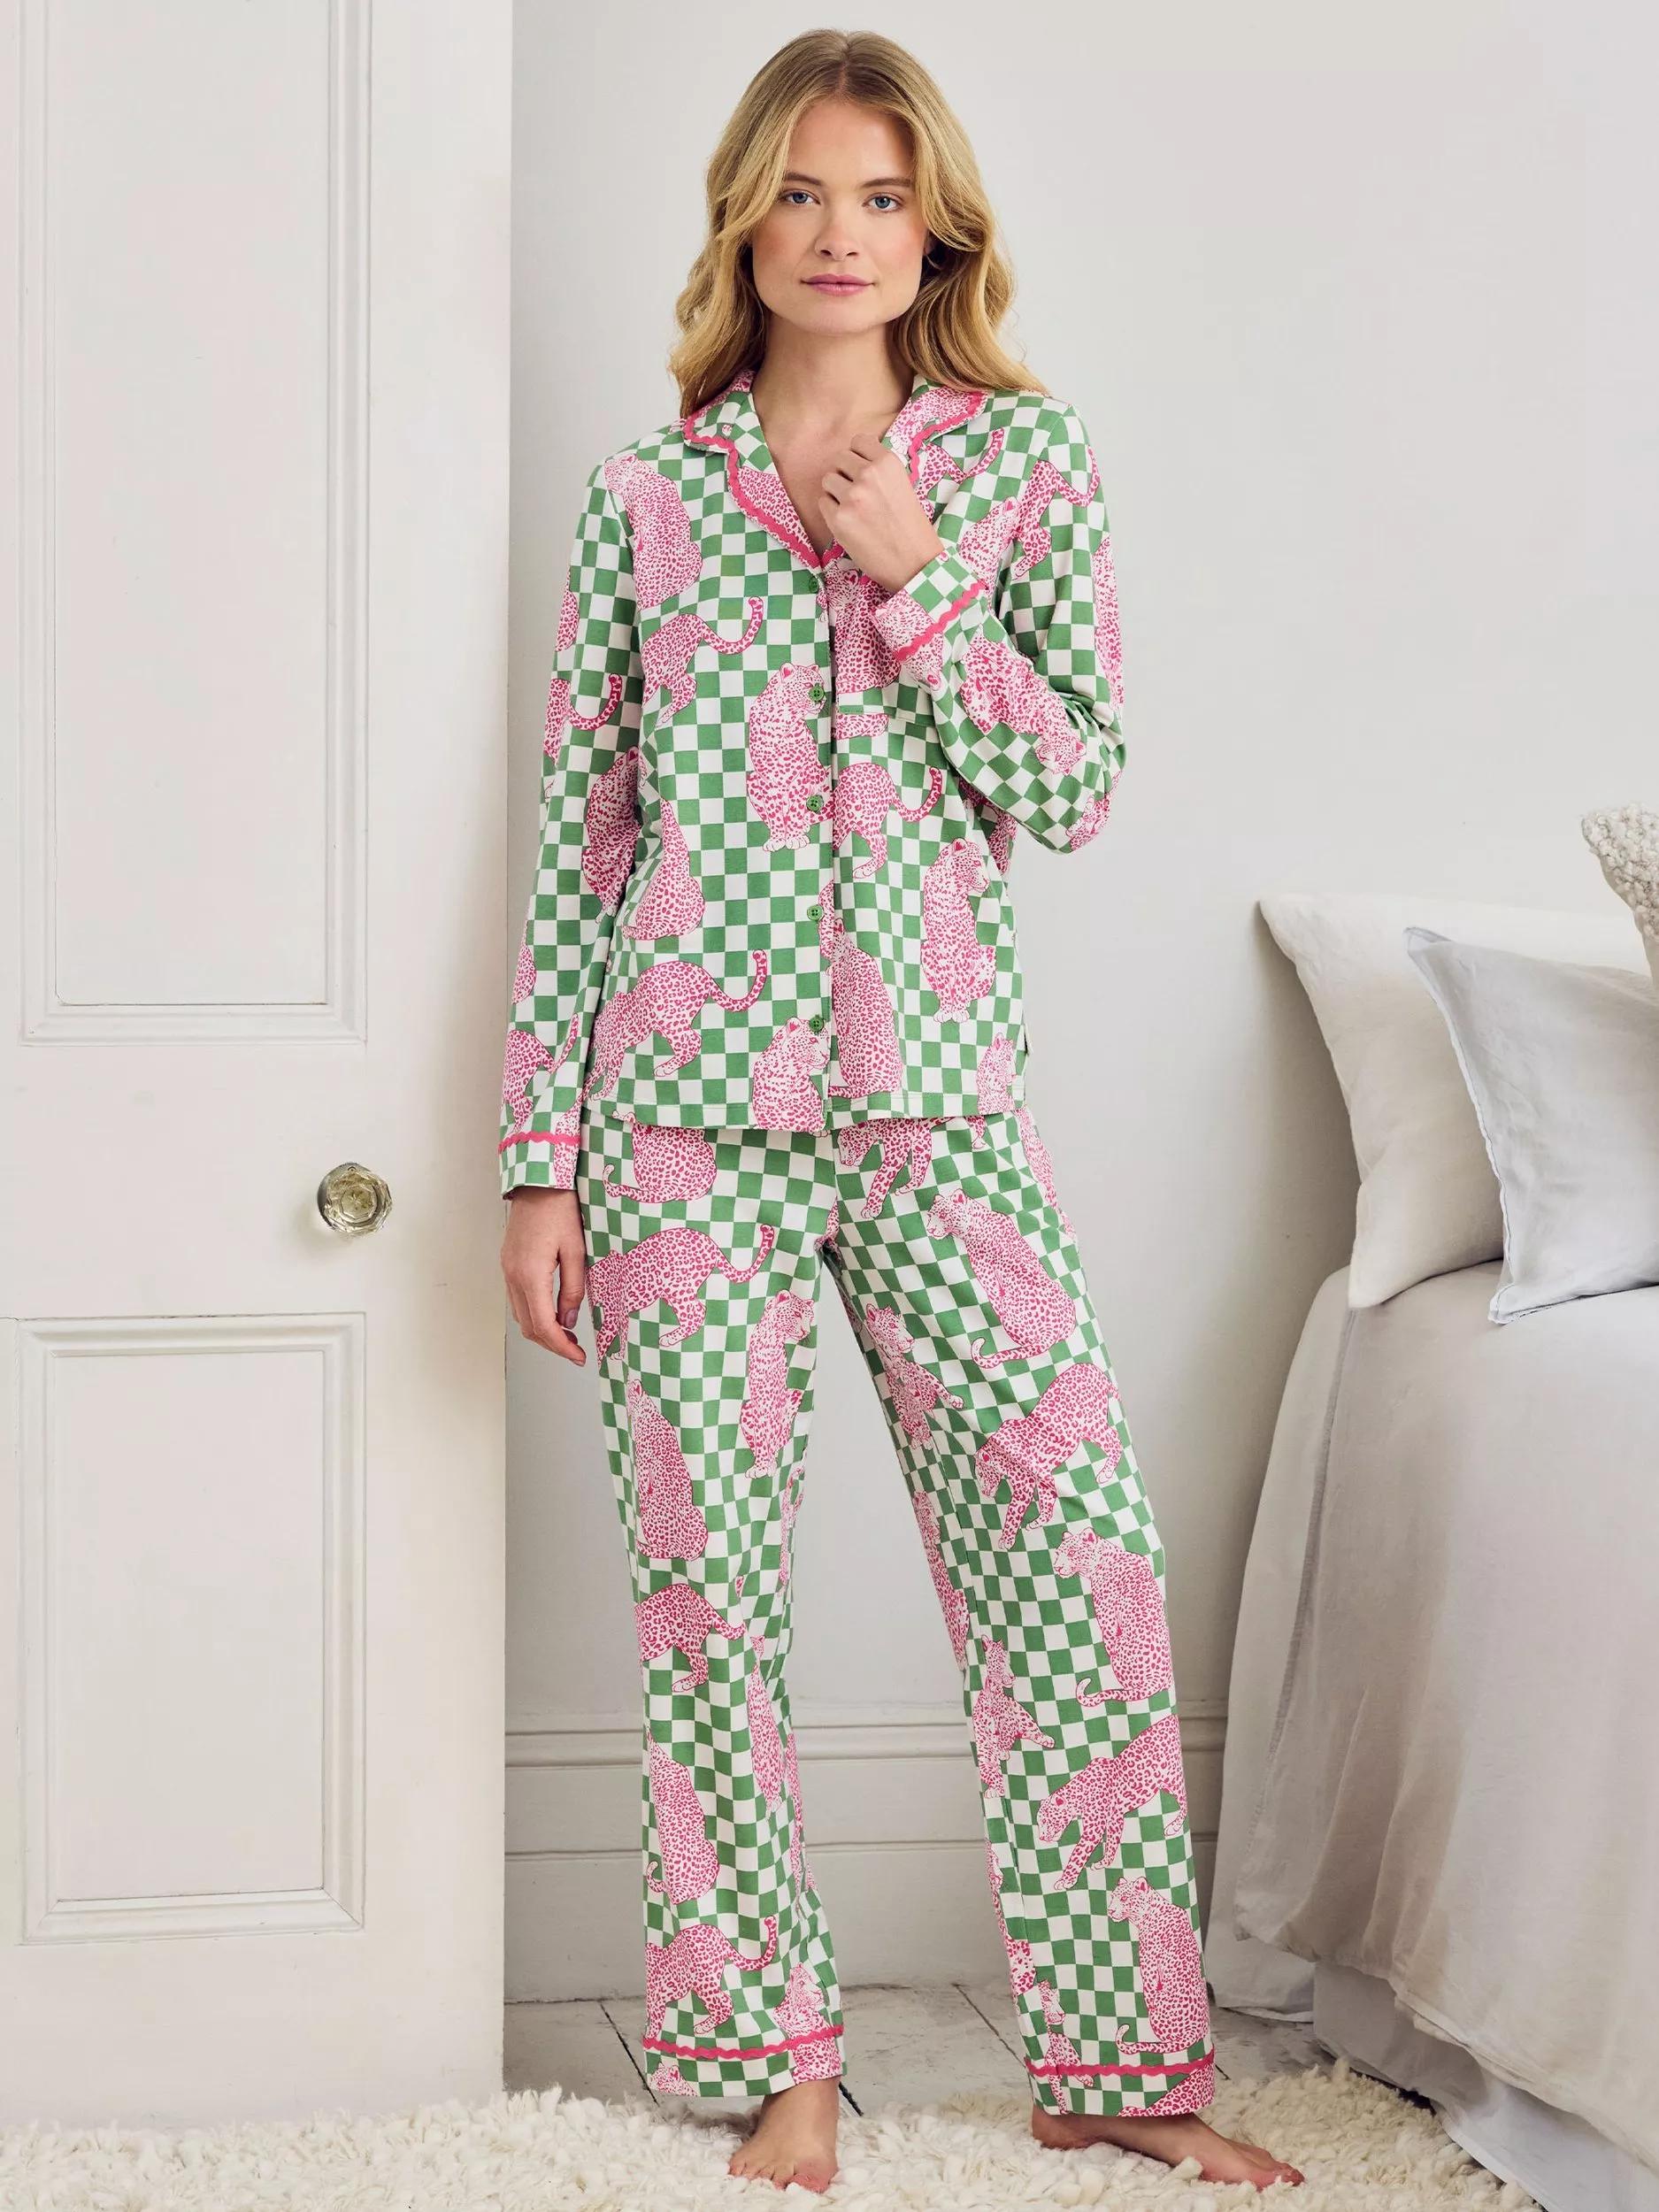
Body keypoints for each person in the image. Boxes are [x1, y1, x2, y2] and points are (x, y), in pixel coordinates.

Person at [499, 27, 1302, 2196]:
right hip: (677, 1122)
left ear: (936, 228)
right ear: (742, 219)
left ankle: (1112, 2059)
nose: (838, 233)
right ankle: (776, 2056)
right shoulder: (646, 495)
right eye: (799, 192)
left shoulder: (1022, 464)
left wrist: (916, 564)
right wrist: (536, 1159)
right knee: (709, 1600)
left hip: (939, 1113)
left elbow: (1074, 782)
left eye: (878, 196)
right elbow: (583, 836)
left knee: (1078, 1552)